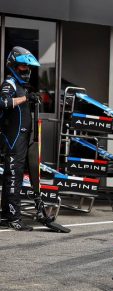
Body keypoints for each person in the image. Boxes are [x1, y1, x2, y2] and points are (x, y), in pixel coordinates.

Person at [0, 46, 41, 231]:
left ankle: (6, 214)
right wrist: (26, 99)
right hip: (13, 138)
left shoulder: (22, 87)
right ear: (14, 66)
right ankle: (13, 218)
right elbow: (3, 102)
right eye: (23, 67)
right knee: (13, 178)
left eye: (28, 68)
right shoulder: (9, 83)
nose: (27, 71)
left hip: (23, 138)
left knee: (14, 177)